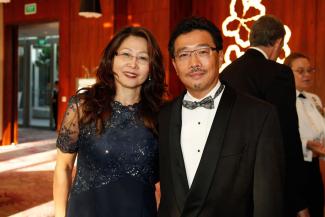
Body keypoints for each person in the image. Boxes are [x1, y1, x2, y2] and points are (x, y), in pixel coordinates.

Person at [158, 16, 285, 217]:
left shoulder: (259, 115)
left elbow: (268, 202)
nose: (194, 63)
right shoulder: (162, 116)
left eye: (202, 52)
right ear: (174, 64)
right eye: (184, 55)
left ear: (220, 56)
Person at [53, 26, 165, 217]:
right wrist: (60, 214)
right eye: (126, 54)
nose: (133, 64)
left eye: (143, 58)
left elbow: (167, 182)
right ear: (112, 59)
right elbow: (64, 166)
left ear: (152, 68)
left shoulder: (162, 115)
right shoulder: (83, 106)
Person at [220, 15, 309, 217]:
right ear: (278, 42)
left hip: (233, 181)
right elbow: (288, 134)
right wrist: (299, 200)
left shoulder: (227, 73)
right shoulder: (280, 73)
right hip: (270, 179)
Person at [284, 52, 325, 217]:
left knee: (316, 207)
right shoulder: (283, 100)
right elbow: (283, 135)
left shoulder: (314, 98)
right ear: (288, 73)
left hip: (313, 166)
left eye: (310, 70)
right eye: (300, 71)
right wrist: (307, 143)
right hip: (294, 167)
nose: (307, 75)